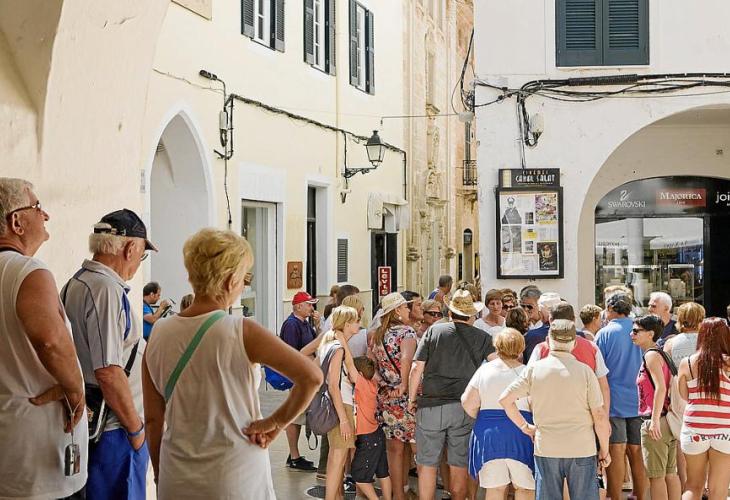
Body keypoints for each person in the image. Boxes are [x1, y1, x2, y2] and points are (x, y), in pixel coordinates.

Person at [143, 228, 321, 499]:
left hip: (176, 473)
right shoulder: (241, 330)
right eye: (244, 277)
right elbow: (311, 377)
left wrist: (160, 474)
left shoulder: (159, 332)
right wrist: (276, 423)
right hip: (235, 474)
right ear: (230, 280)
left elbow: (153, 419)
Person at [0, 178, 88, 499]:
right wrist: (75, 389)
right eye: (38, 207)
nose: (46, 215)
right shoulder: (27, 271)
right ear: (16, 222)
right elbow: (50, 341)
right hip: (35, 460)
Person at [61, 209, 154, 498]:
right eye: (142, 255)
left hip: (101, 424)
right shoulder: (105, 290)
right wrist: (137, 431)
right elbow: (109, 372)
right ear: (130, 248)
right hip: (115, 429)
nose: (138, 262)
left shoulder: (77, 282)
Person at [500, 320, 612, 500]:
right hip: (582, 447)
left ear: (547, 341)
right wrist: (604, 451)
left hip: (546, 447)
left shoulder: (534, 370)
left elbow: (505, 400)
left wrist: (525, 427)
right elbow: (599, 416)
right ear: (574, 344)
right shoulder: (585, 372)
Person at [408, 289, 496, 500]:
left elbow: (416, 368)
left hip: (431, 404)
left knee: (427, 463)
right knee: (459, 463)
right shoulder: (483, 337)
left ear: (450, 312)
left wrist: (411, 399)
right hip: (465, 407)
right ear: (471, 315)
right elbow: (497, 365)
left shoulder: (434, 332)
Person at [461, 328, 535, 499]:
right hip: (521, 432)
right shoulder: (528, 372)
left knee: (495, 489)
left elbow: (467, 402)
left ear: (497, 346)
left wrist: (483, 416)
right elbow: (535, 405)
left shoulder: (484, 370)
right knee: (525, 488)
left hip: (489, 434)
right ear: (521, 347)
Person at [595, 293, 648, 500]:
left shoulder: (604, 334)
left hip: (613, 400)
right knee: (637, 450)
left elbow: (597, 369)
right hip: (639, 399)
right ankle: (640, 495)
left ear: (610, 309)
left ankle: (615, 496)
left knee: (616, 450)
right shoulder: (640, 330)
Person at [369, 292, 418, 500]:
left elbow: (370, 364)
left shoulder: (377, 334)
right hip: (406, 397)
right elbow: (407, 359)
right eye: (405, 307)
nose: (408, 310)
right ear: (397, 310)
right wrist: (404, 384)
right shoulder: (407, 332)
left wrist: (383, 383)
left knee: (394, 449)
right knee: (415, 447)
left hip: (386, 397)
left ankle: (398, 493)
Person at [677, 317, 730, 500]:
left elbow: (684, 395)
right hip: (725, 429)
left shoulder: (687, 363)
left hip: (695, 428)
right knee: (718, 489)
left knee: (693, 485)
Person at [631, 315, 681, 500]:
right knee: (670, 473)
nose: (632, 334)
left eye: (636, 331)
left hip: (657, 420)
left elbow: (660, 388)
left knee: (656, 477)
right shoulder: (660, 353)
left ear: (650, 334)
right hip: (666, 420)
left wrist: (653, 421)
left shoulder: (651, 355)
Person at [317, 306, 361, 500]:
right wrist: (343, 419)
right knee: (338, 458)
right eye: (356, 320)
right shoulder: (338, 347)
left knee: (336, 458)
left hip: (338, 404)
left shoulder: (330, 343)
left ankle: (336, 496)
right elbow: (335, 385)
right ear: (348, 323)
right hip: (341, 405)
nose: (359, 323)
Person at [663, 301, 704, 490]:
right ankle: (702, 484)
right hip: (703, 393)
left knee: (682, 440)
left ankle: (685, 485)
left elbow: (666, 373)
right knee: (705, 439)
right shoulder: (707, 342)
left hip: (679, 393)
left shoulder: (671, 343)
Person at [279, 290, 321, 471]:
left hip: (305, 376)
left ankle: (294, 455)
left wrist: (318, 325)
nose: (312, 307)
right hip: (297, 377)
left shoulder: (305, 323)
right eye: (309, 304)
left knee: (299, 415)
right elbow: (291, 353)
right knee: (295, 416)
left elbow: (315, 344)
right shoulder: (291, 325)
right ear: (298, 306)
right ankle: (294, 456)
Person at [352, 356, 392, 500]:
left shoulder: (363, 385)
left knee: (359, 475)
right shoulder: (373, 383)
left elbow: (350, 367)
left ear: (360, 374)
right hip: (377, 434)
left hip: (368, 438)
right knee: (383, 472)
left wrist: (343, 345)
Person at [520, 287, 550, 362]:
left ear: (539, 306)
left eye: (529, 306)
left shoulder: (548, 324)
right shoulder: (518, 324)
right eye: (523, 306)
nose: (526, 309)